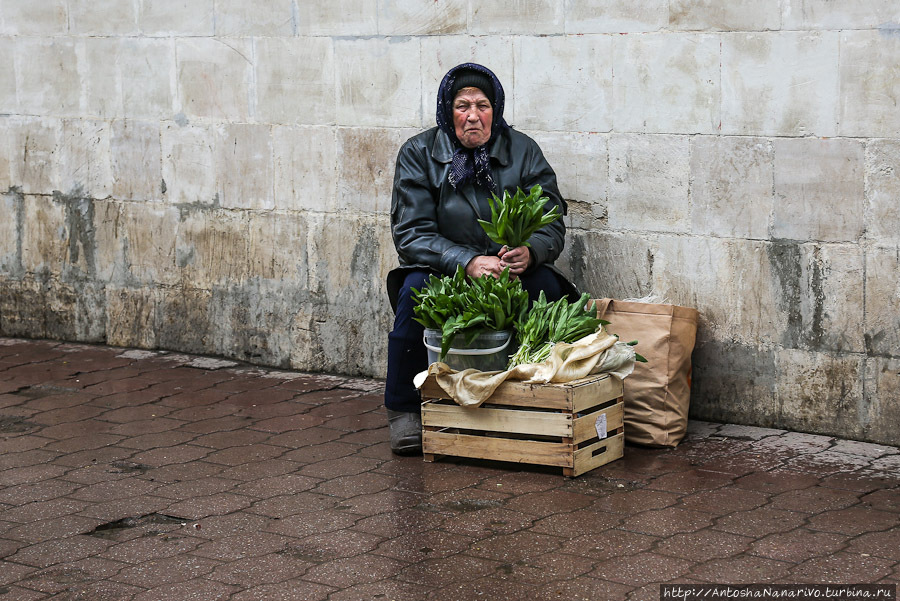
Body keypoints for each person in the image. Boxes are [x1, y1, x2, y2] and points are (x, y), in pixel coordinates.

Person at [384, 62, 576, 455]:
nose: (473, 115)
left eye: (483, 105)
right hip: (443, 269)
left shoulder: (522, 150)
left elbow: (552, 219)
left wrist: (532, 250)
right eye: (462, 105)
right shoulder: (419, 153)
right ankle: (403, 407)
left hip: (508, 269)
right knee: (414, 293)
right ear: (446, 110)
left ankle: (541, 404)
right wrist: (467, 261)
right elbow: (411, 233)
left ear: (496, 110)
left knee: (547, 289)